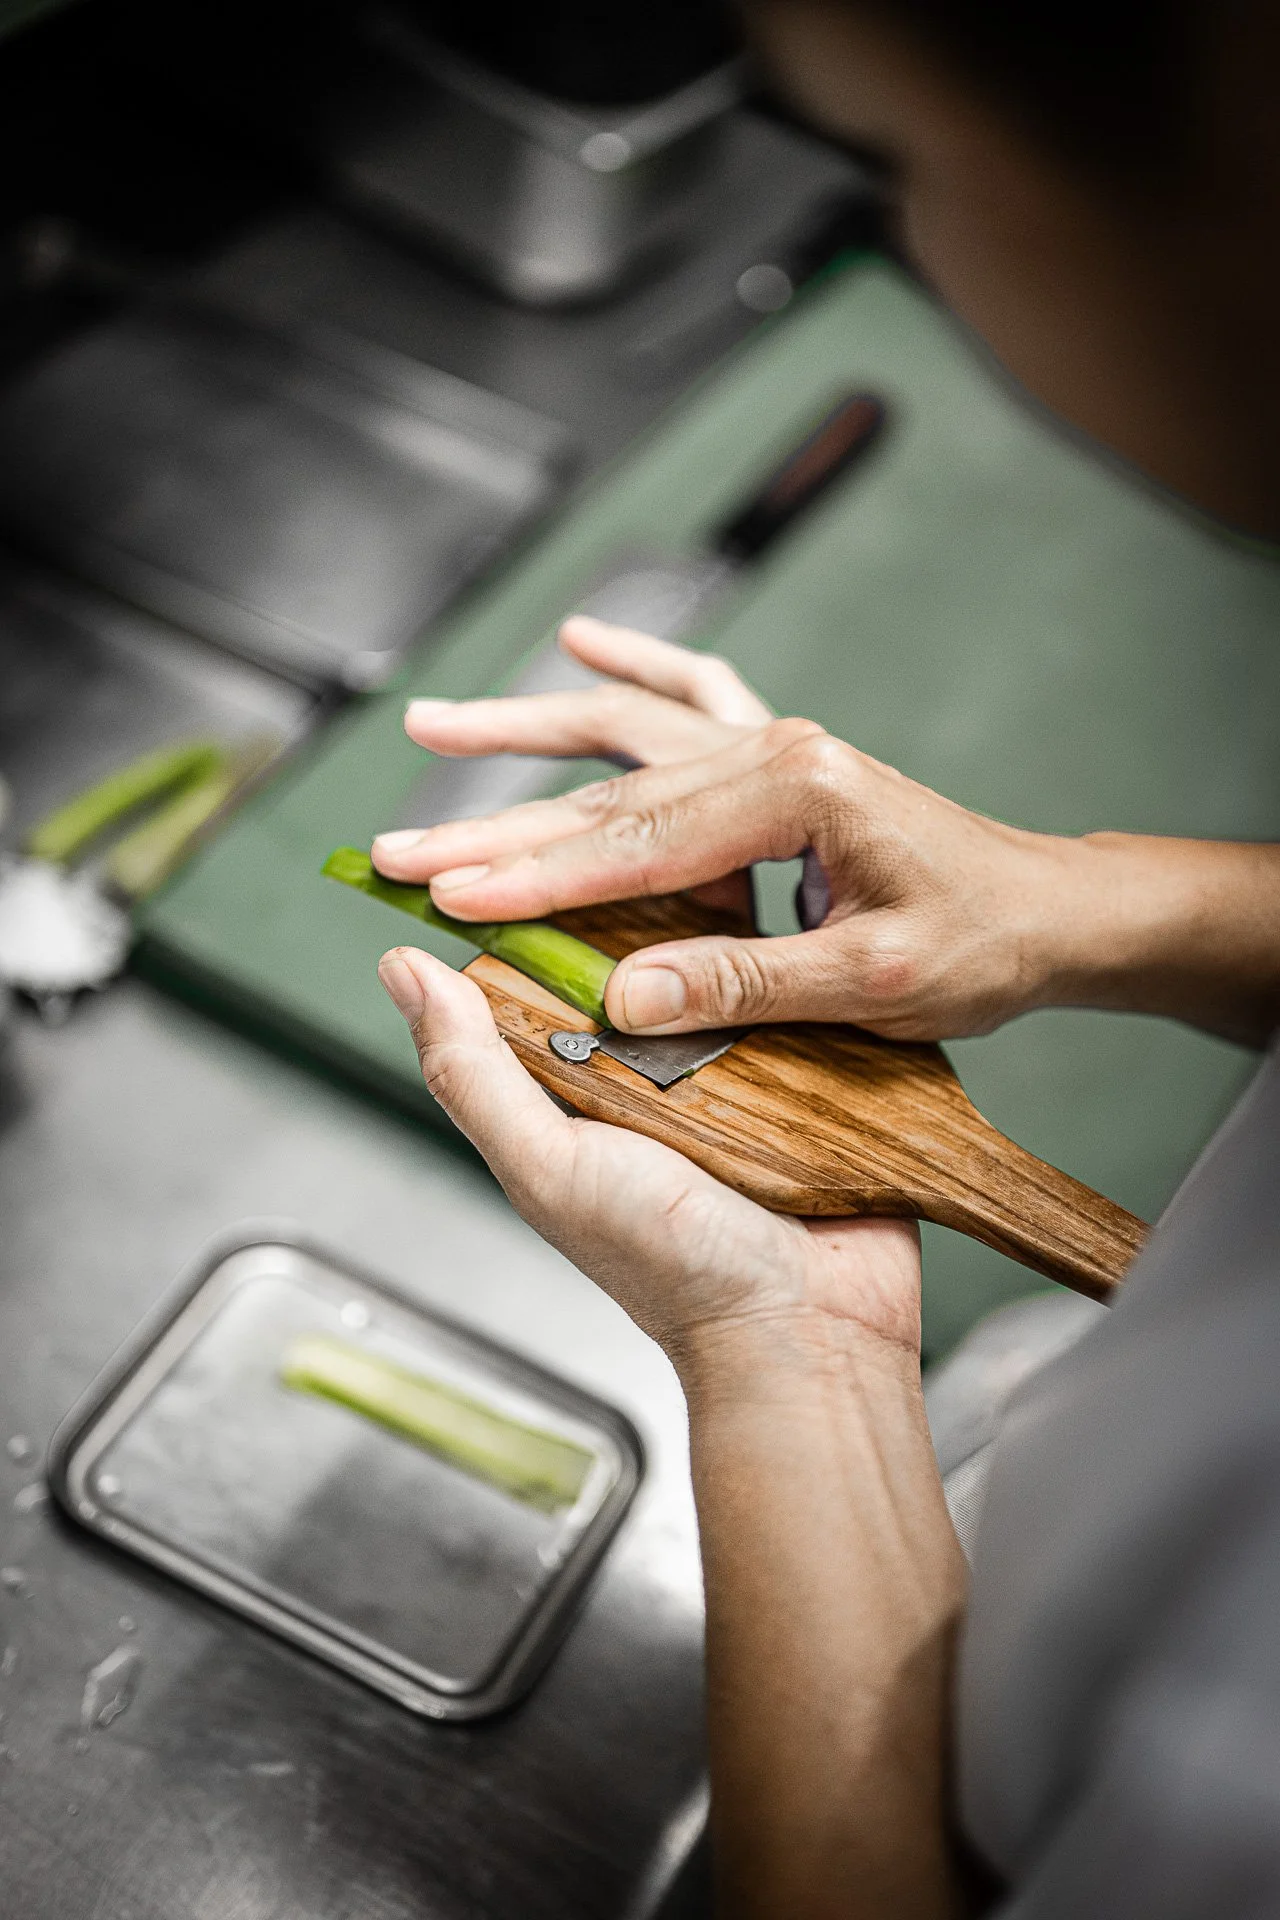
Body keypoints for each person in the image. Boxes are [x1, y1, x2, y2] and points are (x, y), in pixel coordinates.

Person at [367, 3, 1280, 1913]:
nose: (912, 238)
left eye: (895, 157)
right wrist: (1099, 899)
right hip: (1064, 1459)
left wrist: (785, 1345)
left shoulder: (1239, 1689)